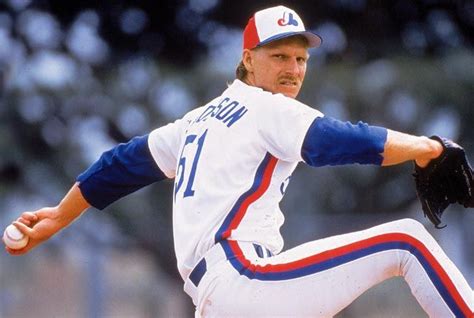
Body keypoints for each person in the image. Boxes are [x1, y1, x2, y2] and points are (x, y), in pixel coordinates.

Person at [5, 5, 473, 317]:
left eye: (300, 58)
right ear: (249, 59)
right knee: (407, 241)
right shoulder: (264, 107)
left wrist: (57, 218)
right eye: (279, 56)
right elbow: (335, 141)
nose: (292, 70)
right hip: (244, 280)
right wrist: (430, 147)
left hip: (219, 300)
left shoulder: (196, 121)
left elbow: (117, 165)